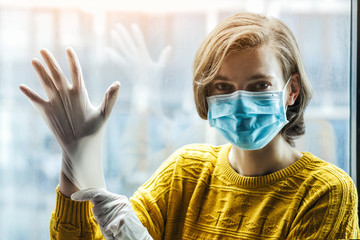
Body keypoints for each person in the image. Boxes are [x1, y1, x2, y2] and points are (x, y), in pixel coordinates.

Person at [20, 12, 359, 239]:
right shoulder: (187, 172)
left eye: (259, 86)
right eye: (223, 87)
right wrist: (76, 166)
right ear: (206, 93)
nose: (240, 102)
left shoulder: (325, 192)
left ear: (292, 91)